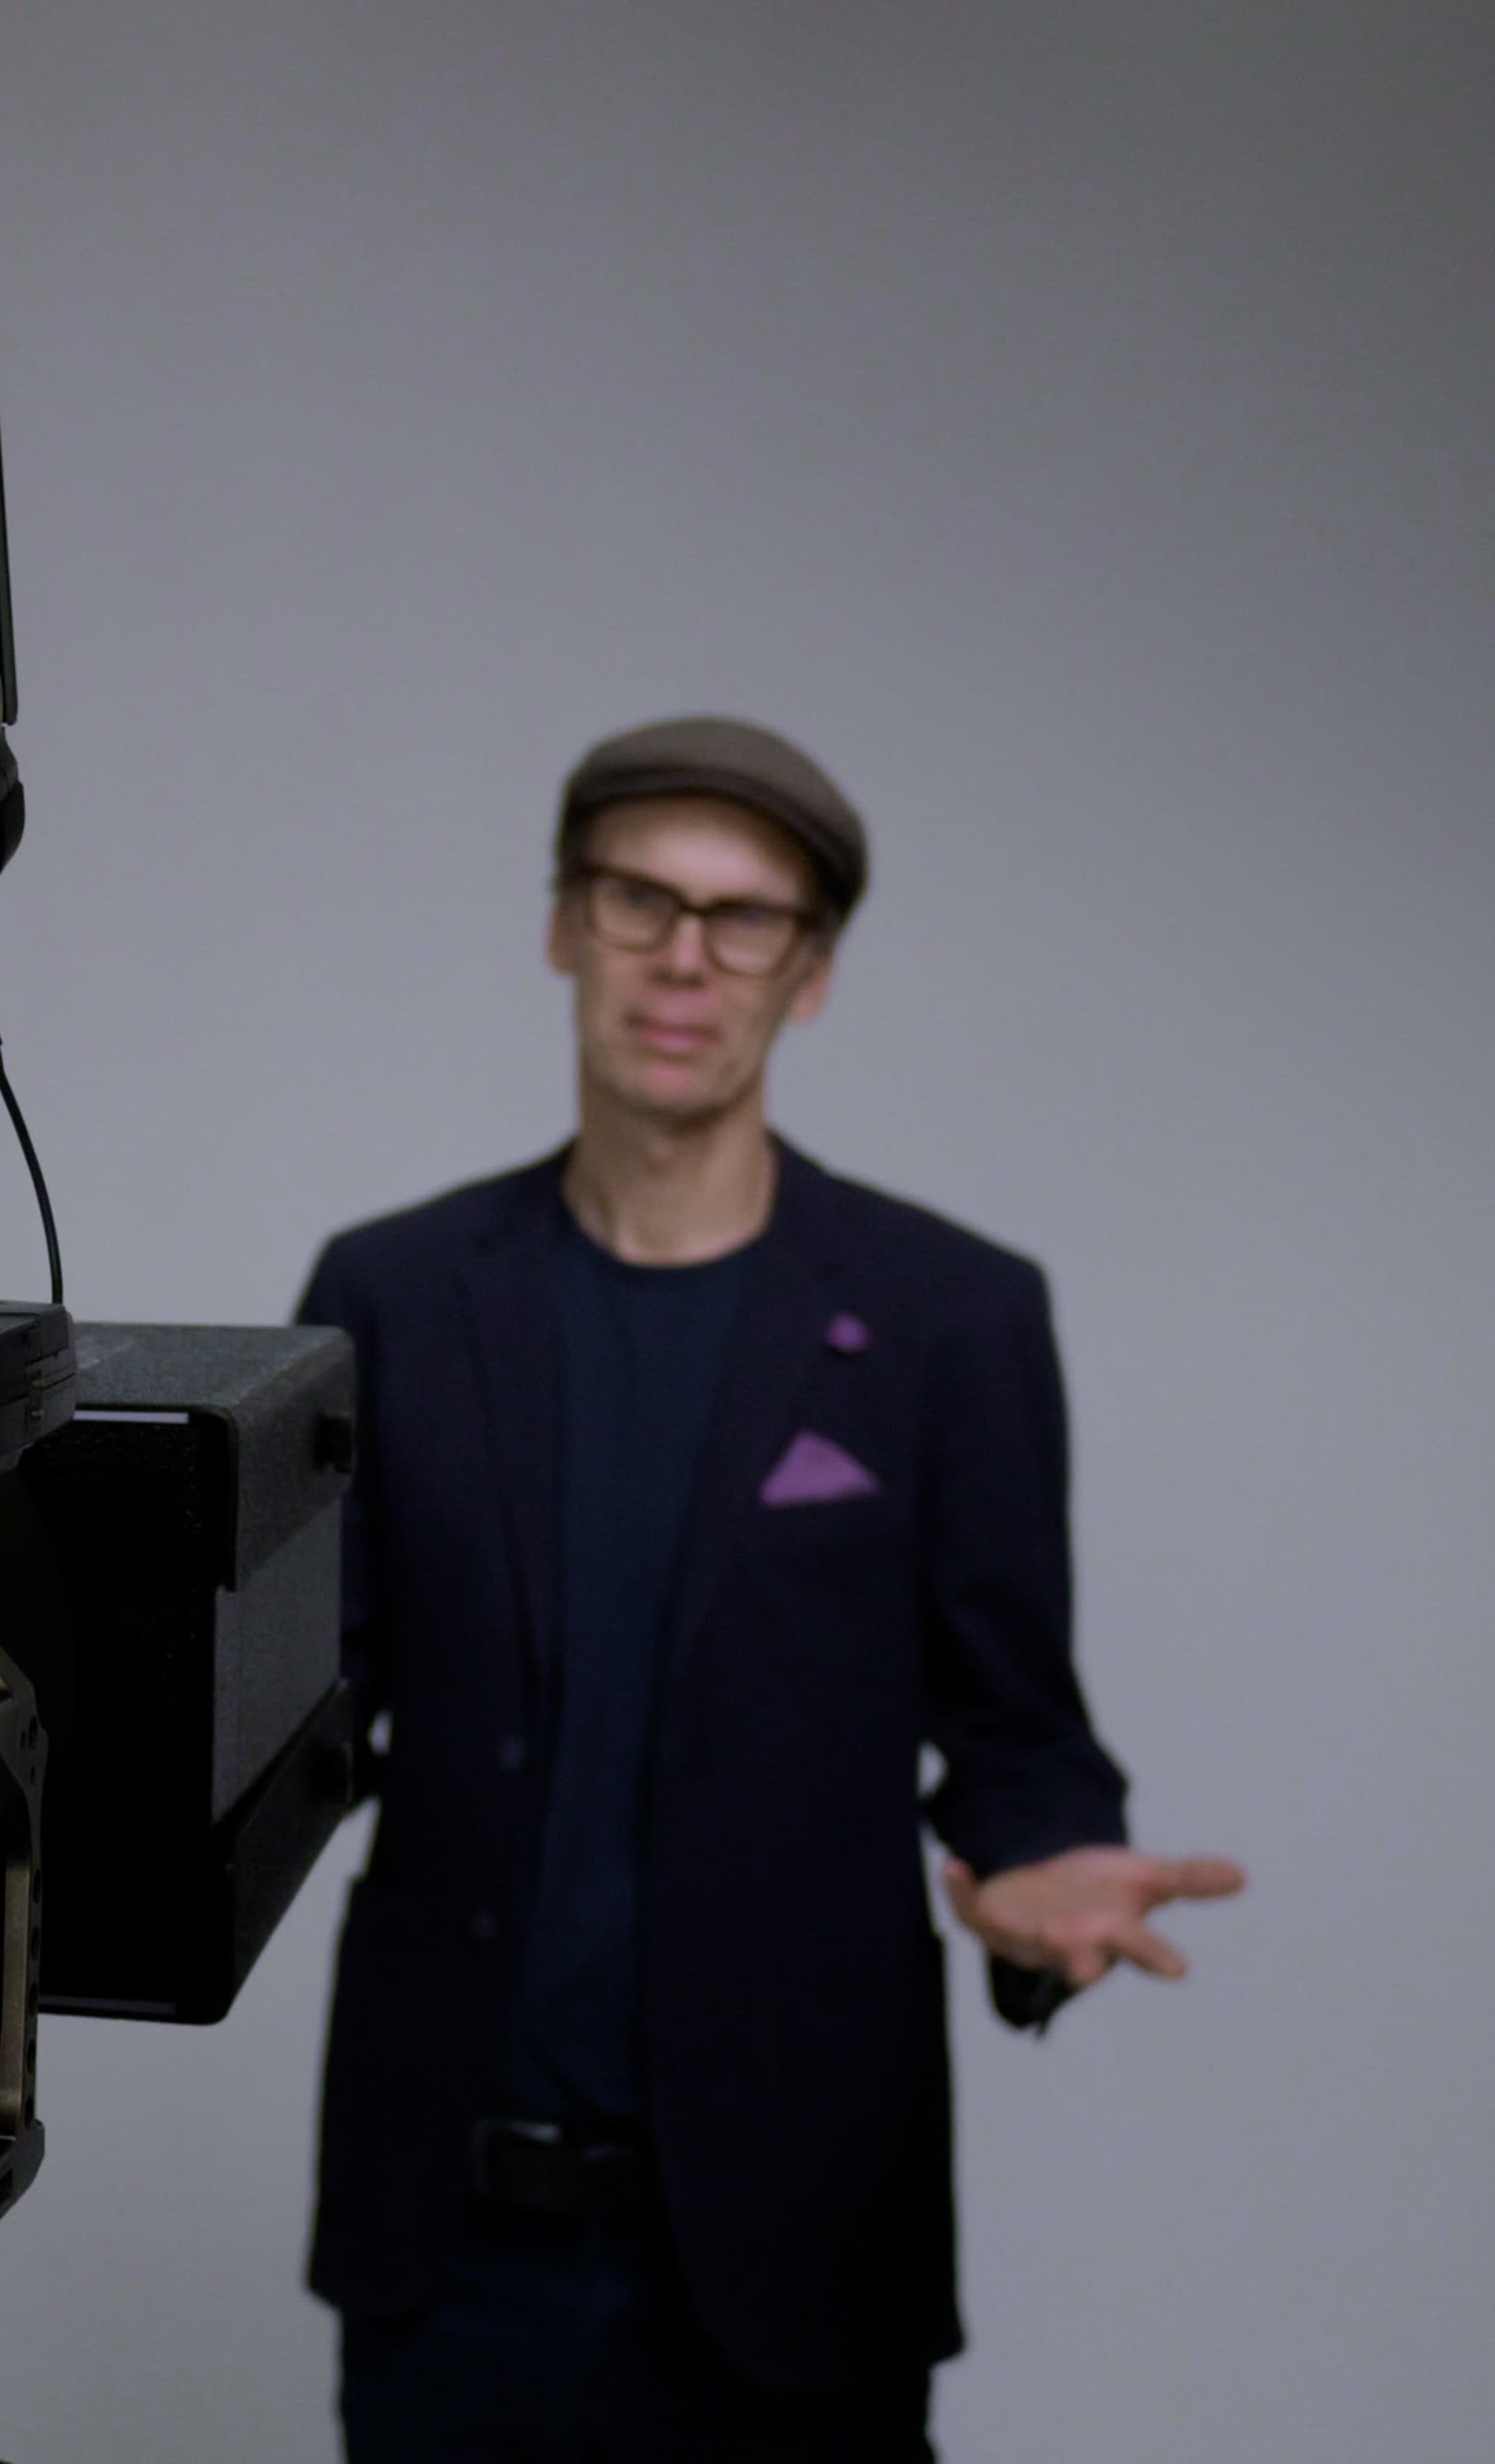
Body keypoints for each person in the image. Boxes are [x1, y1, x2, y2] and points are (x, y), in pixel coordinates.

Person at [300, 716, 1245, 2460]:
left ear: (809, 975)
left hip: (803, 2237)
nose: (685, 957)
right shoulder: (394, 1294)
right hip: (454, 2237)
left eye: (747, 920)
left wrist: (1043, 1872)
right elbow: (297, 1708)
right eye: (641, 897)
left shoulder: (953, 1318)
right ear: (564, 924)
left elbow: (1021, 1726)